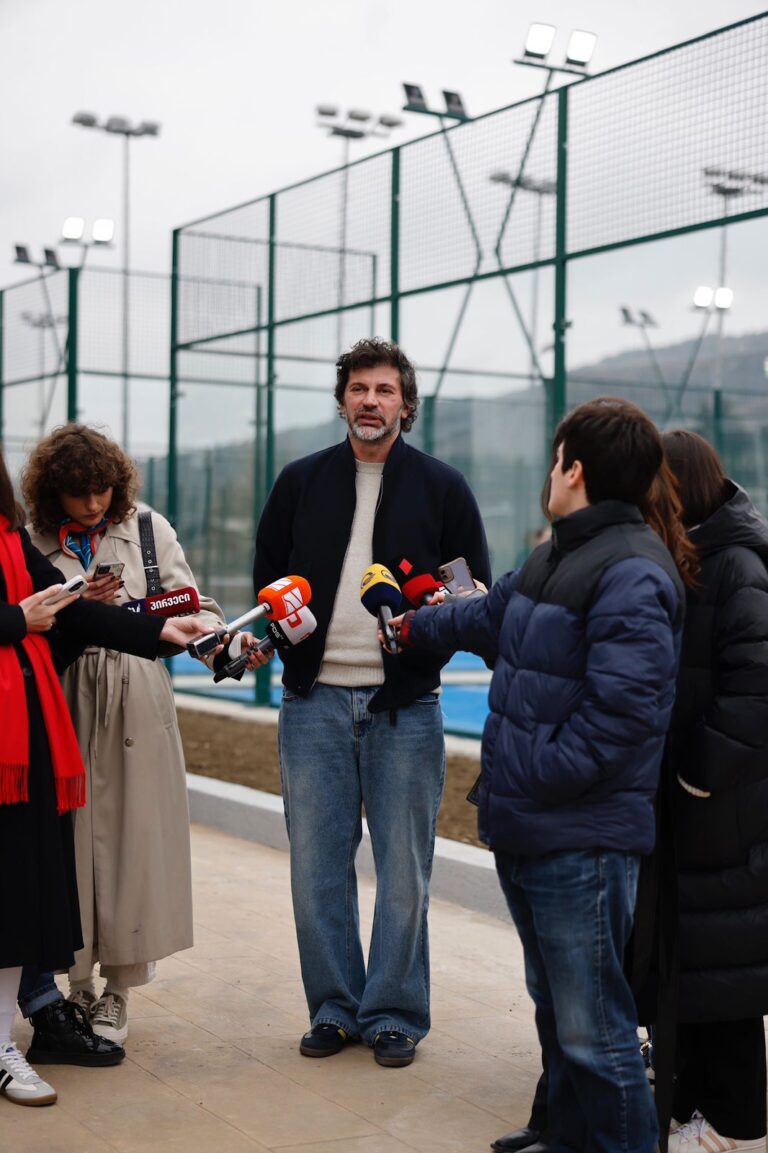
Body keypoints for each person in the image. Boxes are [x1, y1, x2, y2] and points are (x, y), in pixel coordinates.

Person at [393, 397, 684, 1153]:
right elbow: (487, 616)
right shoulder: (560, 553)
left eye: (556, 459)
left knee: (599, 1031)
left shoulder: (631, 571)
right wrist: (409, 623)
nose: (548, 473)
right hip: (533, 823)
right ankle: (562, 1134)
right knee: (556, 1006)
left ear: (574, 468)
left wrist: (536, 773)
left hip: (577, 835)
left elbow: (622, 720)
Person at [252, 337, 490, 1067]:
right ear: (342, 398)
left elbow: (469, 595)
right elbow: (268, 583)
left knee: (404, 870)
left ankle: (392, 1012)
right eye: (358, 388)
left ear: (406, 405)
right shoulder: (299, 481)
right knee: (316, 868)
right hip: (313, 704)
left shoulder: (443, 487)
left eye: (384, 390)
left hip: (406, 708)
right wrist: (276, 646)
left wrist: (420, 652)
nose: (370, 400)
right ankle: (333, 1007)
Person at [0, 447, 210, 1107]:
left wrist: (162, 630)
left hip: (52, 719)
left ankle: (77, 1003)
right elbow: (46, 616)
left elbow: (69, 608)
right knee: (44, 869)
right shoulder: (26, 534)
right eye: (77, 492)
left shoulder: (14, 536)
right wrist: (18, 620)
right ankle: (54, 1000)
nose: (92, 504)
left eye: (102, 491)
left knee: (66, 869)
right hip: (43, 710)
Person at [659, 430, 768, 1153]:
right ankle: (694, 1103)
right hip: (693, 803)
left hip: (719, 805)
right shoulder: (694, 555)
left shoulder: (736, 565)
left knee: (726, 967)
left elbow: (754, 689)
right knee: (696, 961)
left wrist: (695, 773)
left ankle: (737, 1121)